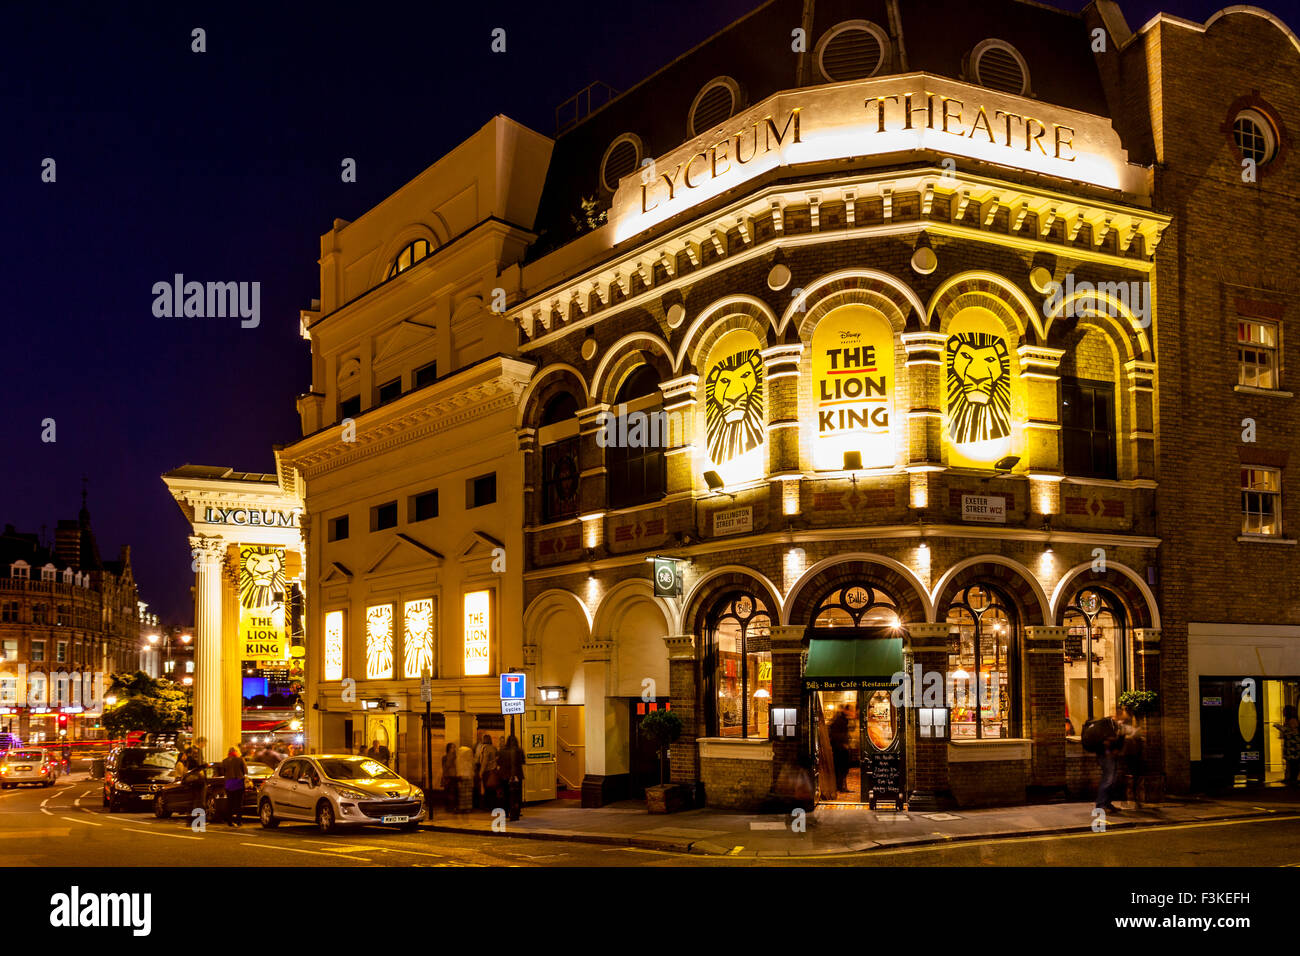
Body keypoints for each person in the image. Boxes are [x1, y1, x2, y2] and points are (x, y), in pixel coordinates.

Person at [1116, 704, 1145, 809]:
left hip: (1134, 754)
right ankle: (1128, 800)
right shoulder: (1120, 724)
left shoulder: (1130, 724)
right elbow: (1120, 737)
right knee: (1129, 777)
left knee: (1136, 777)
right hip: (1127, 754)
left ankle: (1135, 800)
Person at [499, 734, 525, 821]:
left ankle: (506, 812)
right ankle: (516, 810)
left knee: (505, 794)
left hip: (504, 776)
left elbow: (499, 762)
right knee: (517, 794)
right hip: (516, 776)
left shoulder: (502, 751)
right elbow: (523, 761)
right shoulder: (519, 750)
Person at [221, 746, 248, 827]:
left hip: (229, 783)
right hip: (238, 782)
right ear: (237, 751)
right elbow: (245, 771)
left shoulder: (225, 761)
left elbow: (223, 772)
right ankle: (238, 821)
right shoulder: (240, 759)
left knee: (230, 803)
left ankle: (229, 821)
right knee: (239, 803)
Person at [1275, 705, 1300, 786]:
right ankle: (1290, 778)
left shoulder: (1292, 720)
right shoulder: (1289, 720)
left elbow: (1292, 732)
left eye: (1284, 711)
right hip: (1290, 745)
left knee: (1293, 763)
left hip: (1293, 746)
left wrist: (1280, 728)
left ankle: (1292, 779)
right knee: (1290, 762)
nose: (1283, 712)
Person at [828, 706, 850, 793]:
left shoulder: (840, 720)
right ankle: (841, 787)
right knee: (842, 768)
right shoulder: (841, 721)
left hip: (838, 748)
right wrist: (844, 744)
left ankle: (840, 786)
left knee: (840, 768)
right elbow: (839, 734)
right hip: (840, 748)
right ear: (845, 710)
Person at [477, 735, 501, 810]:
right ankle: (494, 805)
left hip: (487, 772)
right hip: (494, 771)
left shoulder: (485, 748)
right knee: (493, 789)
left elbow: (484, 761)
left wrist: (481, 772)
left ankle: (488, 806)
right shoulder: (494, 748)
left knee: (487, 789)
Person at [440, 743, 459, 814]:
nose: (454, 749)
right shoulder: (445, 757)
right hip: (448, 776)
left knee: (454, 792)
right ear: (449, 749)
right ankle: (448, 807)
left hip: (454, 776)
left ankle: (453, 807)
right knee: (448, 792)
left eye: (454, 748)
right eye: (452, 748)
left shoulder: (456, 757)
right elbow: (445, 767)